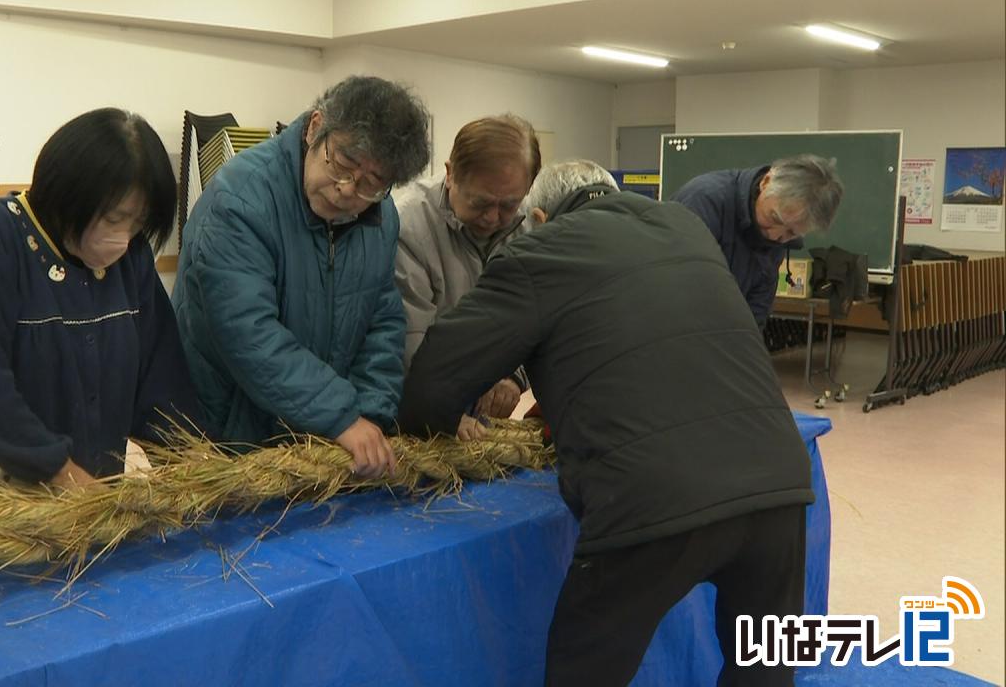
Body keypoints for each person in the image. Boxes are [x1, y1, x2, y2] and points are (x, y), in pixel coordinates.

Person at [399, 161, 814, 686]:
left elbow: (438, 372)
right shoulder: (685, 228)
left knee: (586, 668)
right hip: (777, 483)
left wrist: (427, 434)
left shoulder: (540, 250)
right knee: (764, 671)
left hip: (654, 496)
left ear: (540, 216)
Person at [0, 108, 199, 488]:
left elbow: (161, 375)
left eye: (136, 225)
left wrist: (190, 458)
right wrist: (61, 473)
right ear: (70, 195)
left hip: (91, 494)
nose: (123, 239)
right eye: (114, 219)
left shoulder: (131, 260)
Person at [174, 76, 430, 479]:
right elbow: (247, 332)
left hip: (319, 441)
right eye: (342, 163)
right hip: (227, 438)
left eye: (371, 184)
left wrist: (370, 414)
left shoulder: (381, 218)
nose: (347, 189)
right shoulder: (240, 199)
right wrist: (342, 417)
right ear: (315, 128)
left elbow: (382, 322)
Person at [392, 114, 539, 423]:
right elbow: (409, 344)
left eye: (508, 205)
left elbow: (535, 319)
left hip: (476, 407)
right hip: (417, 401)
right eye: (480, 203)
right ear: (450, 174)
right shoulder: (408, 226)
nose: (492, 218)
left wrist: (513, 375)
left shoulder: (527, 227)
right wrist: (443, 411)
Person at [670, 154, 843, 328]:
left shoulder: (778, 242)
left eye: (792, 233)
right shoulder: (703, 201)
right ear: (766, 182)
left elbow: (755, 315)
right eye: (774, 218)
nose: (774, 236)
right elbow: (677, 290)